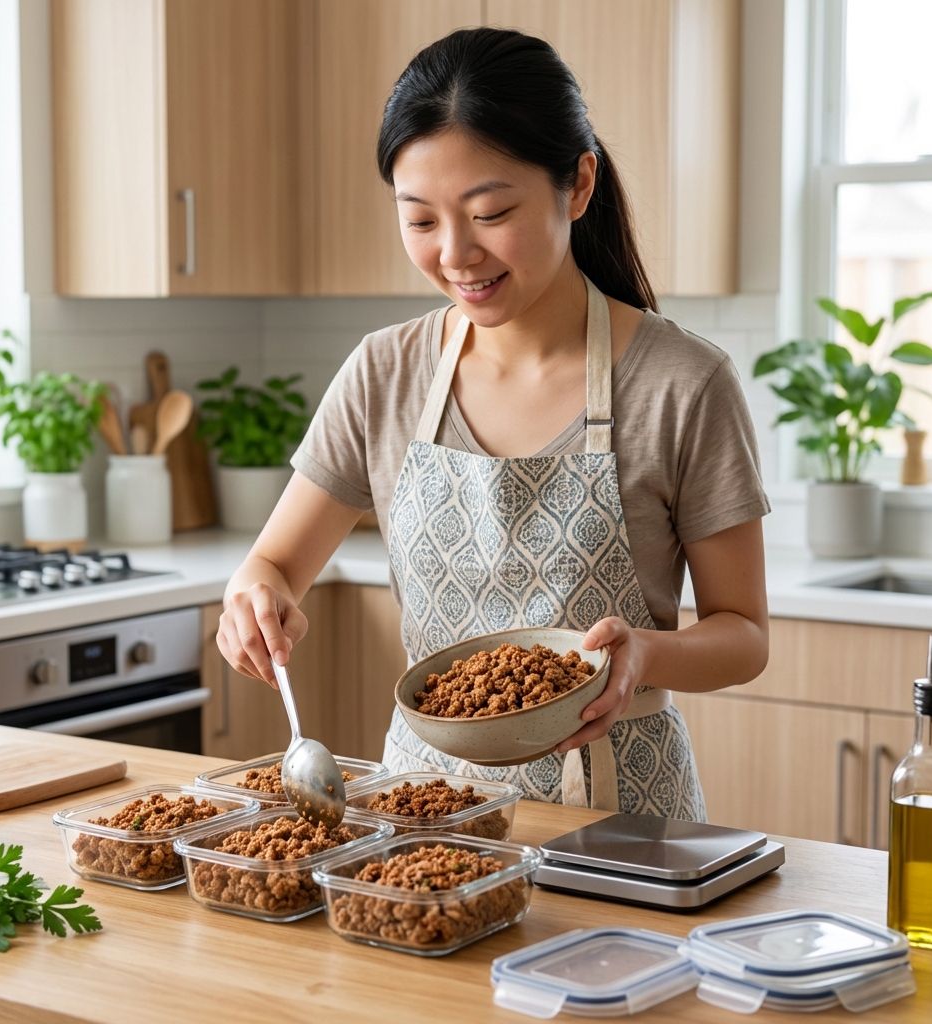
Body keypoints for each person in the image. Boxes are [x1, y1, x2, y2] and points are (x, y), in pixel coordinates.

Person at [217, 27, 770, 818]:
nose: (456, 254)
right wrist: (252, 601)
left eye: (491, 212)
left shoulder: (683, 383)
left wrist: (645, 653)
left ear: (578, 186)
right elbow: (271, 565)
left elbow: (744, 633)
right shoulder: (385, 373)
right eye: (420, 221)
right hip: (423, 814)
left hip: (619, 823)